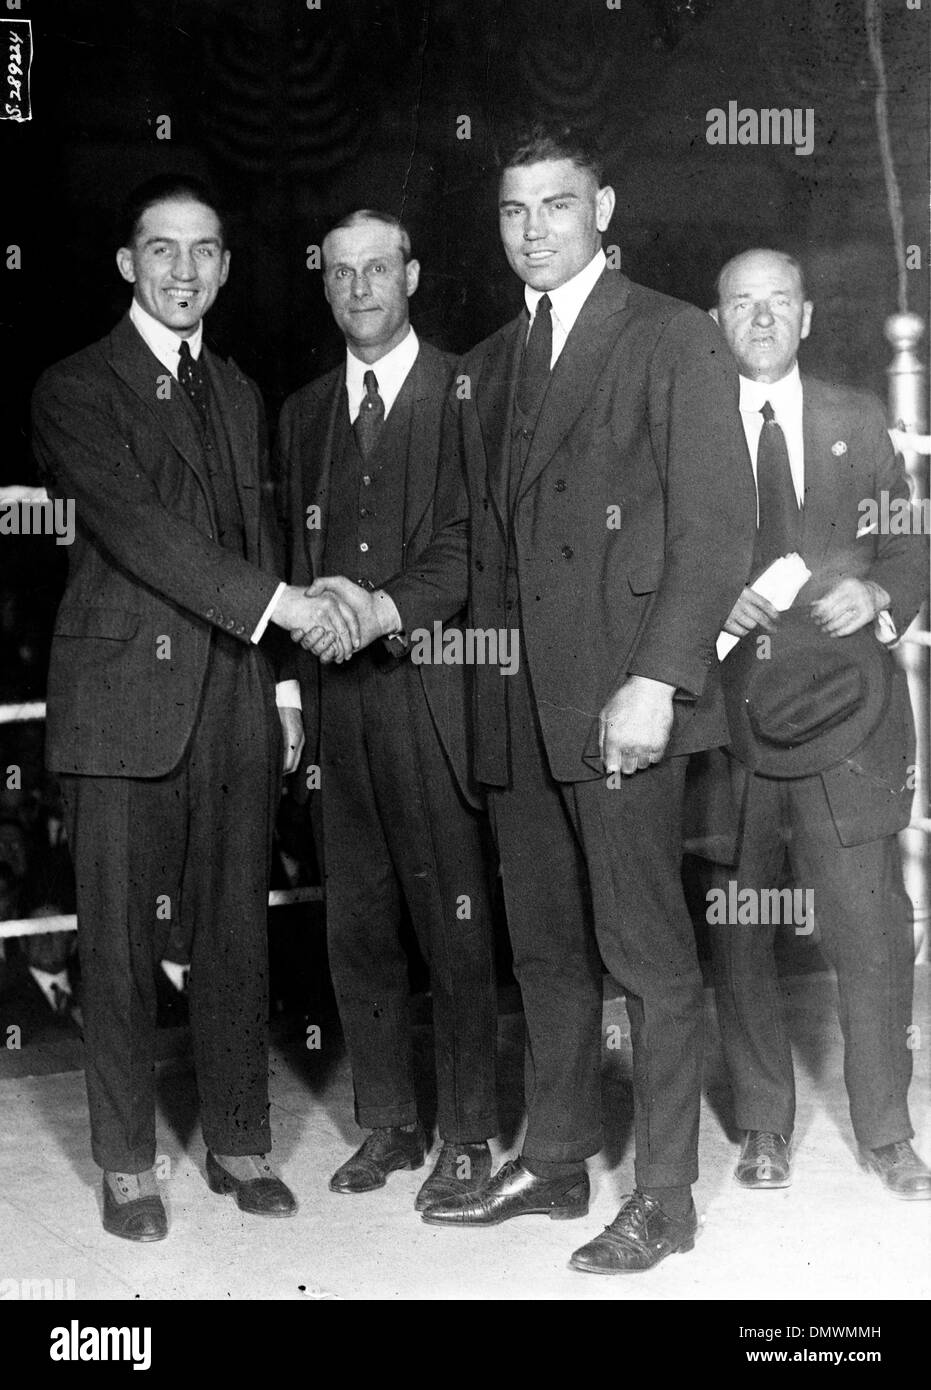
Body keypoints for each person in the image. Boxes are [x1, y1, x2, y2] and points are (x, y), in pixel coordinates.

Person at [308, 121, 756, 1272]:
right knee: (546, 954)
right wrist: (378, 606)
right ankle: (557, 1162)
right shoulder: (491, 364)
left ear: (601, 209)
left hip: (620, 705)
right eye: (513, 212)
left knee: (646, 956)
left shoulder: (671, 336)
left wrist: (657, 679)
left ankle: (664, 1193)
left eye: (556, 206)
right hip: (513, 713)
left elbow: (715, 528)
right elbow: (468, 552)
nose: (533, 231)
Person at [31, 173, 361, 1241]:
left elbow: (255, 536)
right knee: (120, 944)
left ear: (223, 267)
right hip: (122, 700)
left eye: (203, 251)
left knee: (234, 934)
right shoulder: (74, 387)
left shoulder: (237, 392)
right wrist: (282, 610)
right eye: (160, 250)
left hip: (231, 699)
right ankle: (127, 1165)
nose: (183, 270)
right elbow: (138, 530)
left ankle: (237, 1141)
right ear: (129, 265)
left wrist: (276, 687)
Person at [697, 247, 930, 1198]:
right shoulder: (690, 424)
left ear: (805, 319)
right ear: (716, 323)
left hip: (848, 718)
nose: (759, 318)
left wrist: (875, 589)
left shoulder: (853, 417)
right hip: (729, 717)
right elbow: (649, 554)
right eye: (740, 303)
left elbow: (913, 542)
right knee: (740, 925)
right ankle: (760, 1126)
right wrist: (718, 607)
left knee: (868, 924)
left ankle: (885, 1130)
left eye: (777, 302)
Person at [276, 210, 498, 1211]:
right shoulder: (305, 410)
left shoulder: (467, 390)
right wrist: (291, 682)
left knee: (451, 925)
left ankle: (469, 1136)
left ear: (411, 273)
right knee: (356, 927)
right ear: (324, 285)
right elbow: (287, 558)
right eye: (342, 272)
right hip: (337, 712)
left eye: (380, 268)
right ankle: (386, 1124)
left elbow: (468, 545)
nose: (361, 287)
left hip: (433, 696)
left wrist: (384, 610)